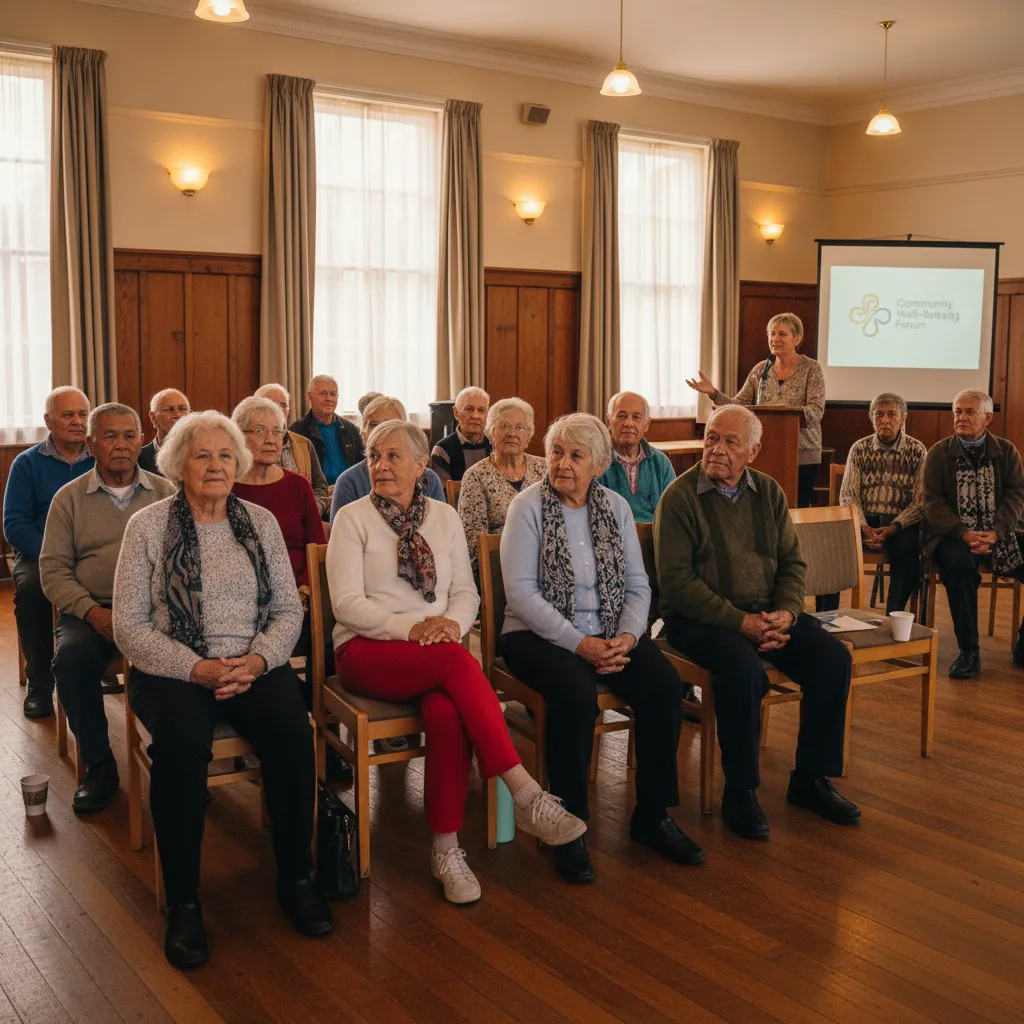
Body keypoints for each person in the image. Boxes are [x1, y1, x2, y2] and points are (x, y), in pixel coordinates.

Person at [328, 420, 586, 904]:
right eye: (373, 457)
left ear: (421, 466)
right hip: (366, 650)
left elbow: (466, 593)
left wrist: (450, 624)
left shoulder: (444, 517)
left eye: (392, 456)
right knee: (454, 663)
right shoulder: (353, 518)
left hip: (435, 650)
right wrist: (416, 629)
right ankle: (524, 792)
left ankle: (445, 849)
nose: (380, 466)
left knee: (446, 711)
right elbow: (346, 604)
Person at [113, 410, 332, 969]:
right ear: (176, 464)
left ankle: (294, 877)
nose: (216, 465)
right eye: (202, 455)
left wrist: (258, 659)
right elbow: (130, 626)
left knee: (290, 732)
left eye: (225, 455)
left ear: (239, 463)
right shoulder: (148, 526)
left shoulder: (258, 522)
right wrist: (195, 668)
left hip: (252, 662)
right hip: (174, 668)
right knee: (183, 747)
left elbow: (287, 609)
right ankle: (184, 902)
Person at [500, 413, 705, 884]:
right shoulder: (527, 508)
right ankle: (569, 825)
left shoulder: (614, 506)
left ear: (598, 465)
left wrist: (630, 637)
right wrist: (581, 643)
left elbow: (637, 585)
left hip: (612, 633)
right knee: (575, 695)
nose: (563, 463)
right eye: (556, 452)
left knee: (662, 685)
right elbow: (521, 595)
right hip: (535, 636)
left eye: (576, 455)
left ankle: (652, 816)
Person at [655, 405, 859, 839]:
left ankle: (810, 779)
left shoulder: (768, 492)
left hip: (767, 613)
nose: (717, 449)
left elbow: (792, 563)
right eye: (712, 438)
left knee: (832, 659)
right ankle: (741, 791)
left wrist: (787, 611)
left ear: (754, 450)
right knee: (744, 673)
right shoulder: (679, 497)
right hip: (701, 620)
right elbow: (677, 585)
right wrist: (739, 621)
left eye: (730, 441)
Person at [39, 404, 174, 813]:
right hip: (92, 609)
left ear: (141, 442)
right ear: (92, 444)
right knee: (72, 662)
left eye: (129, 436)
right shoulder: (69, 499)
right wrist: (94, 614)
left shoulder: (166, 493)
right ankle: (99, 765)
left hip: (155, 612)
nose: (121, 445)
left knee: (186, 660)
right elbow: (52, 571)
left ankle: (179, 762)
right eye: (110, 437)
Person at [3, 386, 94, 719]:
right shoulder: (27, 464)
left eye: (83, 414)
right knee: (31, 590)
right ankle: (40, 685)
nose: (77, 421)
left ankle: (100, 668)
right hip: (40, 553)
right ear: (48, 421)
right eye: (67, 414)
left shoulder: (102, 459)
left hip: (93, 552)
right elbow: (15, 525)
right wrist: (56, 555)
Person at [923, 390, 1024, 678]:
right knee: (960, 566)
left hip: (1001, 532)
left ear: (987, 418)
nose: (961, 417)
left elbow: (1016, 496)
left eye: (969, 412)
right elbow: (931, 502)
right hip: (953, 536)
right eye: (957, 412)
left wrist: (995, 532)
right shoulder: (939, 453)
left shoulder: (1006, 451)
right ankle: (969, 651)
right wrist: (964, 533)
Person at [686, 312, 825, 508]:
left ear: (797, 339)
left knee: (795, 508)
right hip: (764, 451)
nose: (775, 339)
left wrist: (786, 413)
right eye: (772, 334)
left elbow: (816, 411)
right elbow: (738, 407)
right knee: (763, 507)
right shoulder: (762, 369)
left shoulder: (812, 369)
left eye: (782, 334)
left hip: (802, 454)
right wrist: (714, 393)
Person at [835, 392, 927, 613]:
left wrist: (893, 528)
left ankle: (893, 617)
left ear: (903, 418)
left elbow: (921, 502)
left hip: (899, 525)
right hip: (864, 522)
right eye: (879, 414)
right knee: (832, 547)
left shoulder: (917, 450)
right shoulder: (859, 448)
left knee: (908, 549)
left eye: (891, 414)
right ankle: (827, 617)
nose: (885, 420)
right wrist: (864, 528)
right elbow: (848, 496)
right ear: (871, 417)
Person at [232, 397, 325, 589]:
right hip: (239, 591)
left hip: (297, 589)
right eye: (259, 431)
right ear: (237, 437)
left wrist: (305, 588)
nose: (270, 440)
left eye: (277, 431)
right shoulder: (225, 487)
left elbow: (317, 548)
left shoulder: (298, 485)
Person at [458, 397, 546, 583]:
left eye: (520, 427)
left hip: (546, 563)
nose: (512, 433)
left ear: (529, 435)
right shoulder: (476, 476)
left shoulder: (545, 470)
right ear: (490, 433)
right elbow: (474, 543)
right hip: (498, 570)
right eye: (504, 426)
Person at [330, 395, 445, 521]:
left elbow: (441, 529)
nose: (382, 431)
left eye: (391, 424)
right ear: (363, 435)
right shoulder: (348, 482)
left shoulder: (430, 479)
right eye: (374, 425)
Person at [255, 383, 330, 519]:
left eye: (283, 405)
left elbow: (320, 485)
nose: (277, 409)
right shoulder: (248, 446)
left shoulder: (304, 444)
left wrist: (313, 511)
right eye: (270, 403)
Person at [599, 391, 675, 524]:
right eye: (621, 416)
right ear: (608, 421)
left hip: (654, 539)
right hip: (612, 539)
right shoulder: (596, 461)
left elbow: (673, 510)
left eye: (636, 417)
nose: (629, 423)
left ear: (647, 424)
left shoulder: (661, 462)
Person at [289, 374, 362, 487]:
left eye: (333, 394)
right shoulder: (296, 432)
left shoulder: (351, 430)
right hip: (317, 494)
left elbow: (361, 467)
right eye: (323, 393)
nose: (329, 399)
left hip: (348, 491)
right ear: (310, 397)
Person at [431, 387, 492, 484]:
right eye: (469, 409)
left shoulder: (494, 445)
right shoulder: (442, 450)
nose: (476, 416)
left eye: (481, 410)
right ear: (456, 413)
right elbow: (443, 494)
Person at [139, 389, 190, 476]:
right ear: (153, 418)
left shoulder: (202, 456)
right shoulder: (138, 459)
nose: (177, 415)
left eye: (182, 409)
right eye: (168, 409)